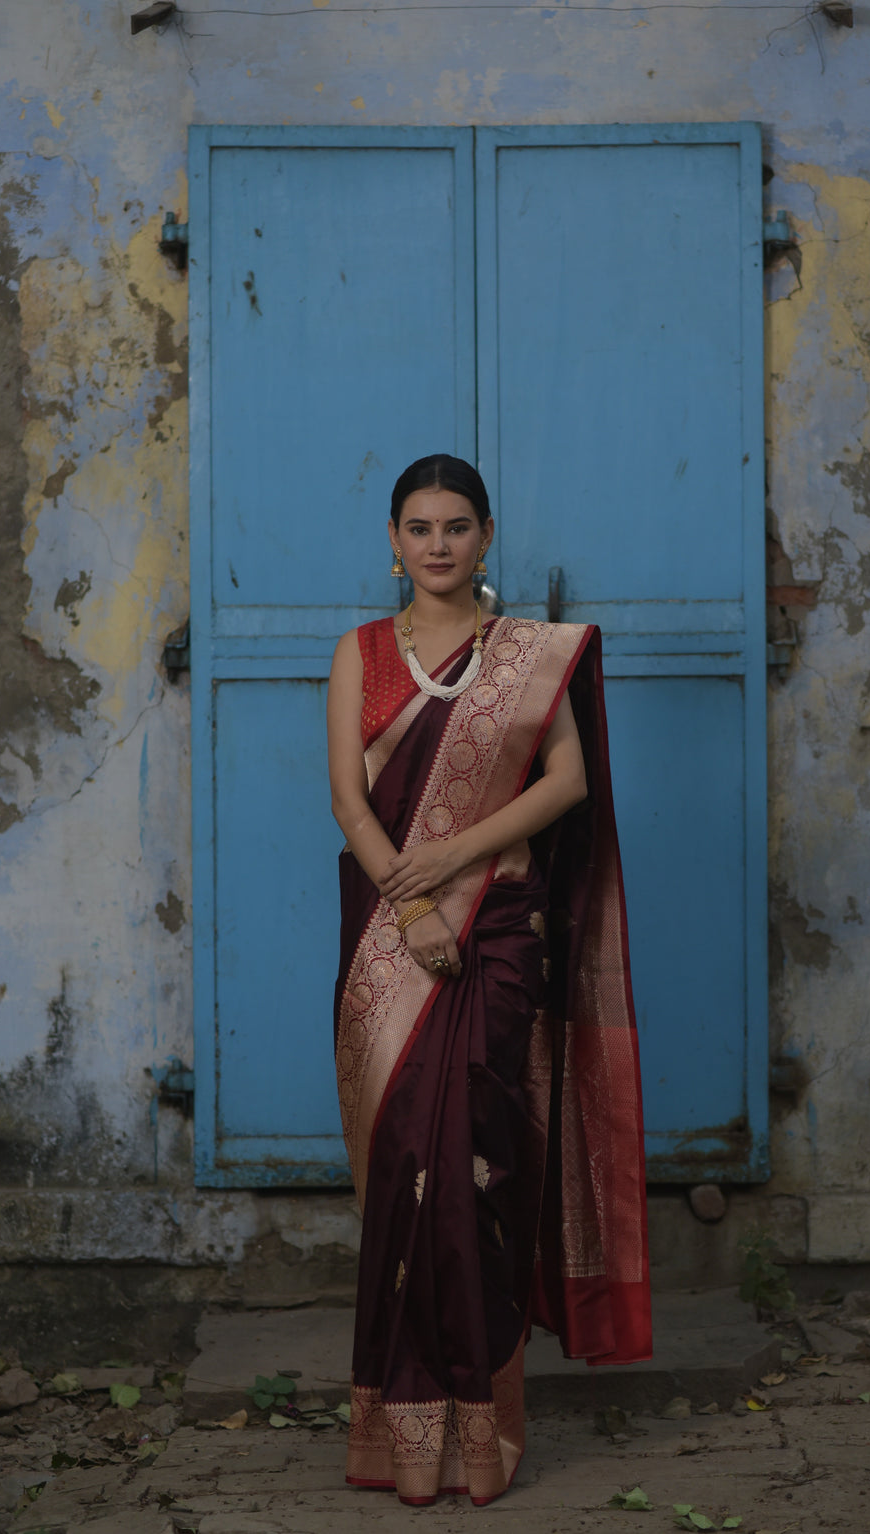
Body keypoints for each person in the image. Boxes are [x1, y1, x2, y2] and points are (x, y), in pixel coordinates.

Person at [326, 453, 651, 1507]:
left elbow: (568, 780)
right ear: (391, 540)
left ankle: (483, 1432)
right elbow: (350, 802)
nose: (435, 544)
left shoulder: (525, 657)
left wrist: (460, 857)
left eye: (455, 526)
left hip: (498, 932)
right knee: (406, 1160)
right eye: (417, 527)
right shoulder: (362, 654)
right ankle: (399, 1433)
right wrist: (412, 907)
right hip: (389, 936)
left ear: (486, 536)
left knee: (477, 1164)